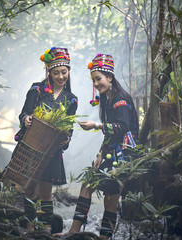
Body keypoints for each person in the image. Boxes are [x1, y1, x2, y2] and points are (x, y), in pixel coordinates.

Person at [58, 53, 139, 239]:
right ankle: (79, 233)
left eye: (99, 79)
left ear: (109, 78)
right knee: (94, 189)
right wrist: (101, 153)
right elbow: (111, 132)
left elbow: (122, 128)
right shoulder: (108, 98)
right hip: (112, 152)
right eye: (93, 80)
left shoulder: (120, 100)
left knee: (105, 196)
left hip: (124, 154)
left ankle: (91, 235)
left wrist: (96, 125)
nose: (96, 84)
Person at [16, 47, 78, 233]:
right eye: (56, 72)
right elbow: (25, 112)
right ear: (49, 72)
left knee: (46, 191)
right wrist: (25, 119)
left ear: (68, 71)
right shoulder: (37, 89)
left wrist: (65, 140)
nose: (60, 76)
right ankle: (29, 227)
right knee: (30, 189)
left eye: (64, 72)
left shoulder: (71, 99)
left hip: (52, 150)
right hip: (32, 146)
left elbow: (69, 127)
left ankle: (46, 228)